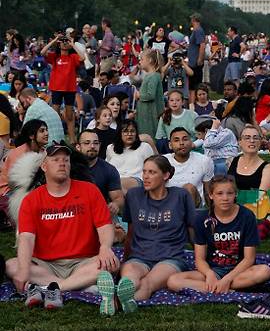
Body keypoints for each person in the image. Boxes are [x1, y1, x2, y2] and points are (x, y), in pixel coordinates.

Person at [6, 143, 119, 308]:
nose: (62, 163)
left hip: (84, 261)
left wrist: (105, 248)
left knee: (112, 263)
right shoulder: (32, 199)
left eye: (66, 160)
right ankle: (80, 285)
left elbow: (105, 226)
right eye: (56, 160)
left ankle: (52, 288)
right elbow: (26, 238)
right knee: (12, 265)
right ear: (44, 166)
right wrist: (24, 270)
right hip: (45, 264)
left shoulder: (90, 190)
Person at [96, 156, 196, 315]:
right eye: (144, 172)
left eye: (152, 172)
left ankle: (115, 303)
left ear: (165, 175)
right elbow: (131, 230)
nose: (146, 177)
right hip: (139, 256)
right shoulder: (134, 196)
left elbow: (192, 230)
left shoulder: (180, 196)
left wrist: (201, 259)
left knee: (147, 283)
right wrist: (126, 258)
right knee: (129, 279)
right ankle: (120, 299)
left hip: (170, 258)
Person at [167, 176, 270, 301]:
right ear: (211, 195)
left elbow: (249, 259)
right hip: (214, 270)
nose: (225, 198)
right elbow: (199, 259)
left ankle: (217, 288)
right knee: (173, 281)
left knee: (264, 271)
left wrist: (228, 279)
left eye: (230, 193)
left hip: (239, 272)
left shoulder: (247, 216)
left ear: (235, 195)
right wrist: (209, 274)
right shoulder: (202, 219)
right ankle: (226, 289)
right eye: (219, 193)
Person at [164, 127, 214, 207]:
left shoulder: (204, 161)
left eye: (185, 139)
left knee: (188, 188)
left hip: (195, 207)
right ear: (170, 145)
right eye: (176, 140)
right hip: (169, 206)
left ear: (191, 142)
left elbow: (208, 191)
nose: (181, 143)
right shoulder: (163, 161)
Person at [106, 119, 155, 193]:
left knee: (117, 185)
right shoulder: (110, 148)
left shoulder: (144, 147)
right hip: (115, 182)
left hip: (137, 180)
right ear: (120, 133)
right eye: (125, 131)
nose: (129, 134)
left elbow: (153, 168)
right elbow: (108, 168)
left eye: (132, 131)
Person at [0, 120, 48, 195]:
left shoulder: (44, 152)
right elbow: (14, 183)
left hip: (30, 188)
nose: (46, 133)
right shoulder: (17, 154)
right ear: (31, 136)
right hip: (9, 191)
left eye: (46, 130)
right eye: (42, 131)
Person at [227, 124, 270, 191]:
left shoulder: (268, 169)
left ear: (260, 142)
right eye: (247, 138)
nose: (252, 141)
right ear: (239, 142)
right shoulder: (231, 161)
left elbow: (262, 196)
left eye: (255, 138)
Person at [136, 49, 165, 139]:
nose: (140, 61)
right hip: (145, 113)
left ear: (150, 60)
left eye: (142, 59)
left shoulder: (153, 76)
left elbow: (150, 95)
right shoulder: (150, 75)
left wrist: (139, 95)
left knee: (148, 137)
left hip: (149, 114)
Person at [187, 14, 206, 105]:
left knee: (194, 87)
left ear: (194, 20)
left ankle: (194, 105)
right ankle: (192, 104)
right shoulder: (196, 31)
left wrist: (200, 59)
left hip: (195, 62)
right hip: (192, 61)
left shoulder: (198, 31)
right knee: (192, 86)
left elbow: (202, 45)